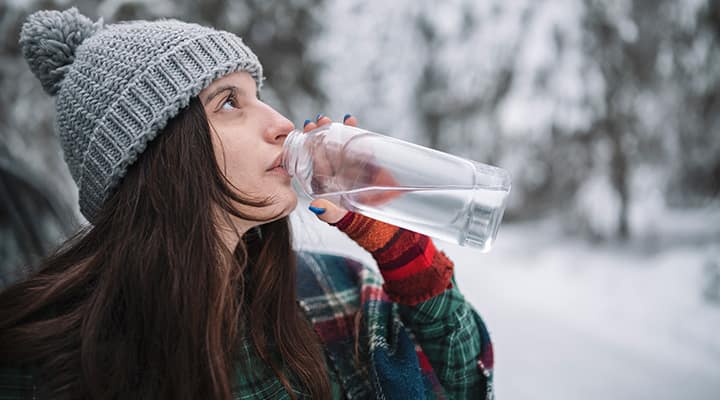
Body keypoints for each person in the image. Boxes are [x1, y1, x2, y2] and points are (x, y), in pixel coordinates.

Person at [0, 8, 494, 400]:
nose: (281, 122)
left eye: (258, 95)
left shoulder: (335, 295)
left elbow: (463, 387)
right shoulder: (35, 363)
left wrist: (402, 250)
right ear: (157, 155)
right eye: (229, 102)